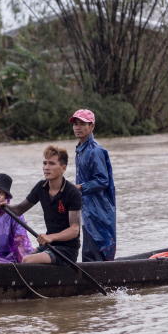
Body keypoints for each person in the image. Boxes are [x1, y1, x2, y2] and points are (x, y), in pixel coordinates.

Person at [7, 145, 82, 265]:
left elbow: (74, 230)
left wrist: (51, 237)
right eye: (45, 163)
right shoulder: (41, 187)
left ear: (63, 168)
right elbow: (18, 210)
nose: (46, 168)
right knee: (20, 260)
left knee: (27, 260)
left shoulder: (73, 192)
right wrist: (2, 205)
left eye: (51, 164)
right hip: (49, 246)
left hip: (67, 250)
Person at [70, 109, 116, 262]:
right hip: (88, 208)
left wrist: (80, 188)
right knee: (90, 247)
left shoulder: (95, 151)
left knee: (98, 246)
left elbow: (103, 181)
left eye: (82, 124)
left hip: (100, 209)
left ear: (91, 127)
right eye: (75, 124)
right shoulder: (80, 150)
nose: (78, 127)